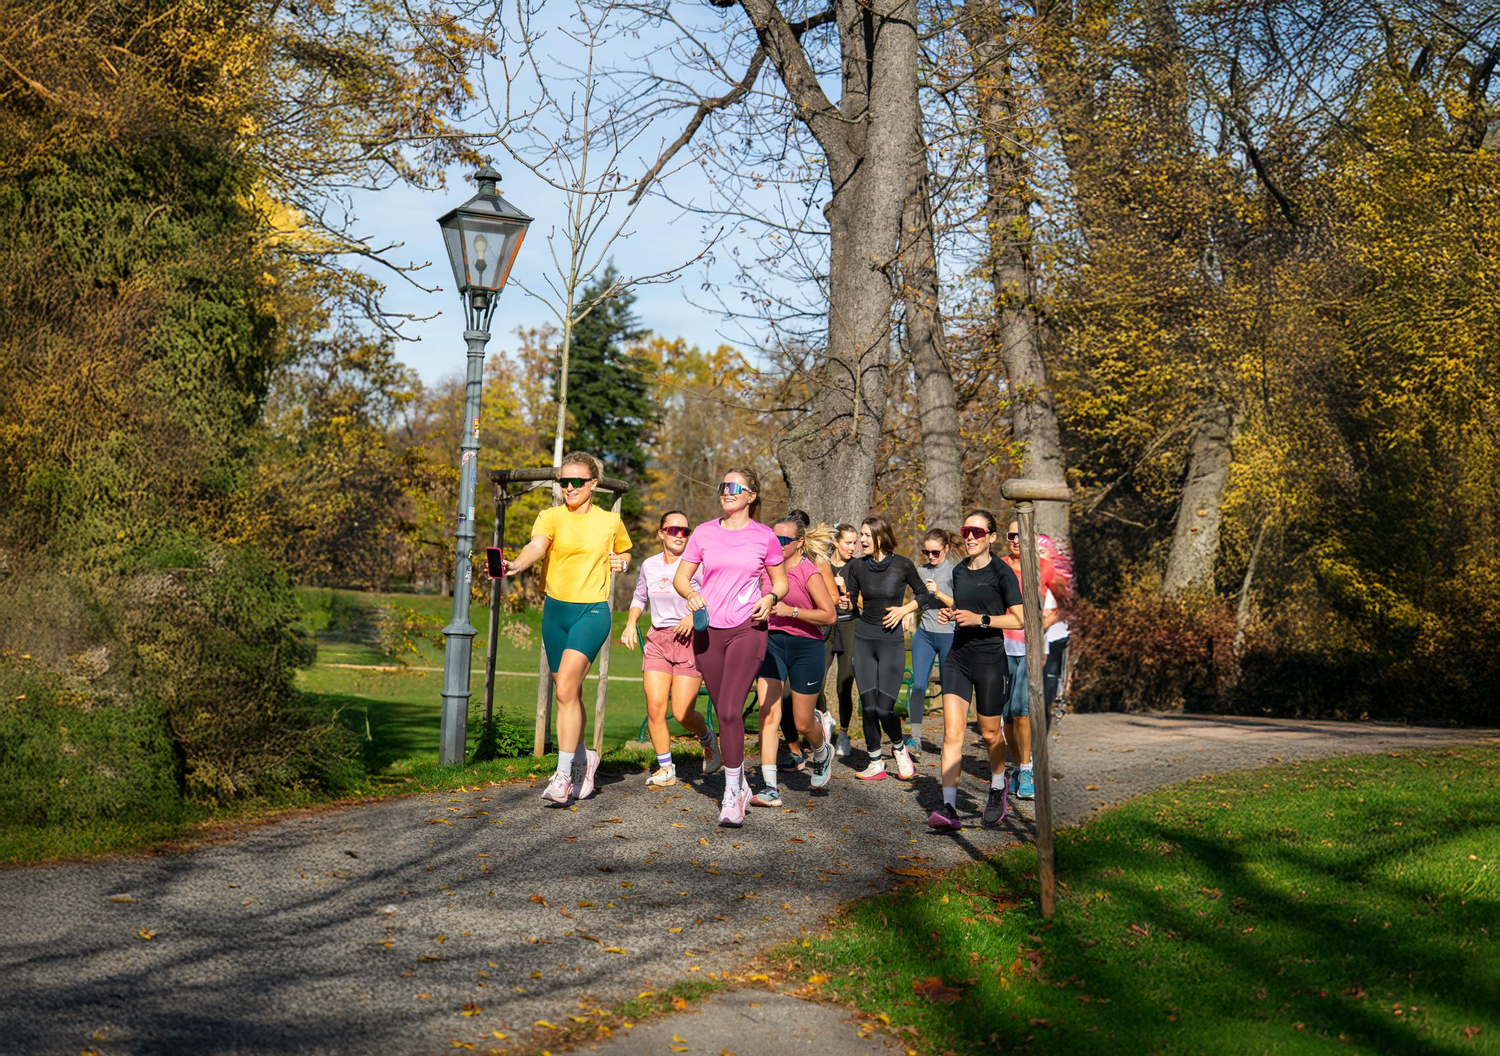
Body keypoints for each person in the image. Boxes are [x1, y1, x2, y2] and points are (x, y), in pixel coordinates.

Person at [500, 453, 631, 805]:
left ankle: (562, 774)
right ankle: (585, 758)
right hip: (555, 610)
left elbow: (624, 552)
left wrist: (622, 560)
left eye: (576, 481)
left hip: (591, 611)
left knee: (566, 689)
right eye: (564, 482)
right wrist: (515, 564)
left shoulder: (610, 521)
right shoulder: (551, 516)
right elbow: (536, 547)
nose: (569, 488)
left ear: (593, 484)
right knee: (567, 693)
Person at [673, 468, 789, 828]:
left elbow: (780, 582)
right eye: (723, 486)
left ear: (751, 495)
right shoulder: (705, 533)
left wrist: (770, 597)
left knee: (728, 709)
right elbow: (682, 576)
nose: (726, 491)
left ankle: (732, 791)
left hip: (747, 628)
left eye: (734, 487)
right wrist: (692, 595)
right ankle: (738, 784)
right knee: (723, 712)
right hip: (709, 630)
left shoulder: (765, 537)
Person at [926, 509, 1024, 832]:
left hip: (990, 660)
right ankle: (949, 807)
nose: (970, 536)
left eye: (977, 532)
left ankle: (998, 785)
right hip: (958, 656)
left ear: (992, 537)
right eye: (967, 531)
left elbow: (1020, 619)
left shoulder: (1002, 573)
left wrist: (982, 620)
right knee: (952, 733)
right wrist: (950, 614)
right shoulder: (958, 571)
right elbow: (962, 607)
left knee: (990, 733)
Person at [621, 510, 722, 788]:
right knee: (655, 707)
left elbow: (714, 597)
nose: (680, 535)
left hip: (690, 641)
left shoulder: (699, 565)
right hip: (658, 641)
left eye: (685, 531)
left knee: (681, 713)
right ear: (661, 533)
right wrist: (631, 624)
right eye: (674, 530)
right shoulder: (649, 565)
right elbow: (639, 596)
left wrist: (692, 616)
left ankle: (707, 738)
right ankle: (666, 769)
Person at [839, 515, 940, 781]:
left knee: (885, 708)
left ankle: (898, 749)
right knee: (868, 706)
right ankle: (875, 762)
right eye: (860, 535)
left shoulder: (902, 565)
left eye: (865, 535)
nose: (861, 540)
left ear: (880, 536)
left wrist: (904, 610)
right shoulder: (857, 567)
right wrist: (843, 602)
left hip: (891, 642)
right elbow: (849, 602)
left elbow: (924, 594)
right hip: (863, 640)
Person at [751, 516, 839, 805]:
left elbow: (829, 616)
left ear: (799, 542)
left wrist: (792, 612)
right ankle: (769, 787)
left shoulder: (807, 571)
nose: (777, 544)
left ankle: (821, 750)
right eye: (773, 539)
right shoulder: (765, 570)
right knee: (768, 714)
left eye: (784, 541)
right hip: (771, 643)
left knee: (802, 723)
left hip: (806, 647)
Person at [999, 519, 1058, 801]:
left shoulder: (1043, 567)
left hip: (1032, 649)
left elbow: (1064, 604)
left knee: (1022, 710)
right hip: (1002, 646)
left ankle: (1027, 769)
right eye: (1011, 535)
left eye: (1020, 535)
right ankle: (1017, 764)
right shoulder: (999, 565)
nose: (1015, 539)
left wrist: (1043, 624)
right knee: (1008, 716)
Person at [904, 528, 958, 759]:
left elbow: (961, 604)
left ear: (945, 549)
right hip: (925, 633)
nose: (931, 556)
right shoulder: (921, 569)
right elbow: (917, 598)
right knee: (917, 685)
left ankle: (950, 736)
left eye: (935, 552)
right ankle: (915, 737)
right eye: (927, 552)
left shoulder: (956, 571)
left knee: (949, 690)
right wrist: (907, 611)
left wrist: (939, 594)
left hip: (949, 635)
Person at [822, 523, 861, 757]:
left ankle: (844, 735)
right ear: (836, 542)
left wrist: (846, 589)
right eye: (848, 542)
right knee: (815, 679)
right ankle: (826, 717)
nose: (853, 547)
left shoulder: (857, 567)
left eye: (855, 543)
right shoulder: (822, 565)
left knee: (844, 684)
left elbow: (865, 602)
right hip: (826, 625)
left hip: (849, 625)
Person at [1038, 534, 1073, 716]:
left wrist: (1043, 622)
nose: (1039, 556)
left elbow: (1063, 610)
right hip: (1035, 642)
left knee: (1049, 686)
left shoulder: (1058, 578)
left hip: (1055, 639)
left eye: (1043, 552)